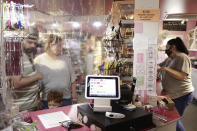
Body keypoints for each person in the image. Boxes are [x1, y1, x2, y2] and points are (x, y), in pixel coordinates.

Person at [158, 37, 194, 131]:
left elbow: (182, 76)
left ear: (173, 47)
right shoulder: (170, 58)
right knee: (170, 118)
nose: (166, 50)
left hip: (182, 95)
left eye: (167, 47)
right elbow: (159, 66)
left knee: (173, 120)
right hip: (172, 94)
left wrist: (166, 69)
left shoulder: (182, 57)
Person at [34, 34, 77, 109]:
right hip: (48, 101)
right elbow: (35, 82)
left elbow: (72, 79)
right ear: (51, 45)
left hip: (65, 99)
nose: (61, 48)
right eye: (59, 46)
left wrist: (74, 95)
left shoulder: (66, 59)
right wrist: (37, 98)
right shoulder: (39, 60)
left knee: (66, 120)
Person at [11, 28, 43, 112]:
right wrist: (36, 76)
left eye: (35, 43)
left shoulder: (28, 53)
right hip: (23, 108)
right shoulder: (16, 56)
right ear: (22, 40)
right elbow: (16, 83)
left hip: (30, 105)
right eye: (29, 42)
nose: (33, 45)